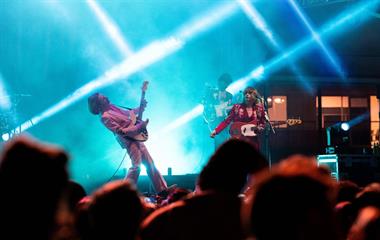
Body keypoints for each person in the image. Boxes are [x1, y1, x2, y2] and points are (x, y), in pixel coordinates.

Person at [88, 92, 168, 194]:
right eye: (103, 98)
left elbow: (129, 114)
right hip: (129, 141)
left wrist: (141, 107)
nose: (107, 97)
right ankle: (124, 193)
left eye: (105, 96)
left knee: (150, 163)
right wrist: (139, 127)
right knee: (136, 166)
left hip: (136, 137)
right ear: (99, 105)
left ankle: (162, 190)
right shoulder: (105, 117)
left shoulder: (112, 108)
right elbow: (122, 131)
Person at [210, 86, 266, 151]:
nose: (247, 94)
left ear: (255, 95)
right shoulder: (237, 107)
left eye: (250, 93)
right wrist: (216, 130)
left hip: (253, 141)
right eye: (245, 93)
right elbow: (226, 121)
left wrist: (261, 127)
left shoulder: (259, 109)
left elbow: (262, 122)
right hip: (239, 139)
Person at [202, 73, 233, 149]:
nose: (225, 85)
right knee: (210, 145)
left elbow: (230, 110)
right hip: (211, 122)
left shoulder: (229, 95)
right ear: (219, 82)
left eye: (227, 83)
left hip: (223, 124)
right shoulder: (211, 91)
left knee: (222, 145)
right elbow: (205, 104)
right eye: (223, 82)